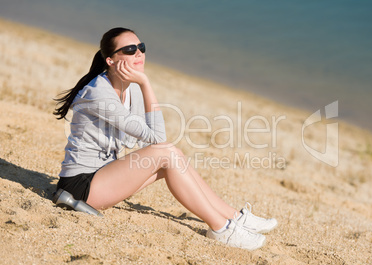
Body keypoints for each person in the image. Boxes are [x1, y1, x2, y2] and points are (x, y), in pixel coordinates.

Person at [53, 27, 277, 251]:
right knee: (167, 153)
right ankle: (221, 229)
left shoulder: (130, 90)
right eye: (130, 50)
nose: (139, 53)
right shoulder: (99, 93)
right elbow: (158, 140)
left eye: (141, 48)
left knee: (174, 154)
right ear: (111, 60)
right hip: (80, 187)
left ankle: (234, 217)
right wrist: (145, 83)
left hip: (104, 178)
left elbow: (152, 142)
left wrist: (141, 86)